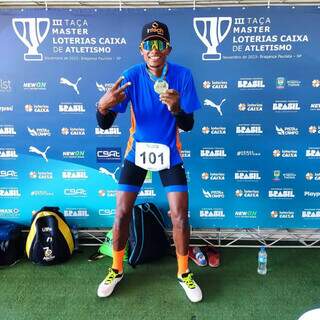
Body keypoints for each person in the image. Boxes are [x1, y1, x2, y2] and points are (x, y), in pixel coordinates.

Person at [96, 20, 202, 303]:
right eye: (148, 44)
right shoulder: (130, 76)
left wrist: (177, 108)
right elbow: (104, 124)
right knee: (121, 213)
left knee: (180, 215)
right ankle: (116, 269)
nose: (154, 50)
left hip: (170, 152)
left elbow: (188, 124)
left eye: (159, 44)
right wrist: (102, 106)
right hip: (137, 153)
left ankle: (183, 272)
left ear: (168, 49)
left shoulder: (183, 75)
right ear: (141, 50)